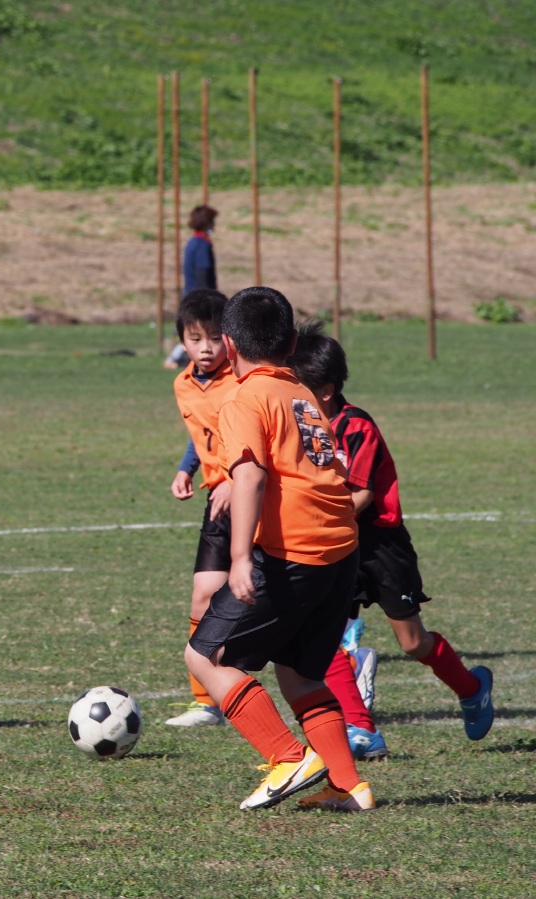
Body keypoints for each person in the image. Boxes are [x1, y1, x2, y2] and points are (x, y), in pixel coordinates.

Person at [184, 285, 374, 812]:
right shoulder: (302, 393)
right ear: (292, 343)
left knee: (203, 655)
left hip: (293, 554)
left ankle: (288, 757)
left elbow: (249, 476)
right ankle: (349, 787)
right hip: (341, 551)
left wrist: (240, 558)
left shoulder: (245, 398)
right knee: (299, 674)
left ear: (228, 344)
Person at [288, 321, 494, 745]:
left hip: (379, 546)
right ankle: (360, 726)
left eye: (297, 386)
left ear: (325, 390)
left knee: (413, 642)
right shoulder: (304, 425)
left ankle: (473, 689)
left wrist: (318, 519)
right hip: (336, 542)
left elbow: (362, 494)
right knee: (320, 633)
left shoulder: (356, 426)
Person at [164, 289, 239, 727]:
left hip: (255, 495)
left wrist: (233, 479)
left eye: (214, 338)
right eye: (195, 339)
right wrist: (186, 468)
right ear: (182, 342)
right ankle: (206, 702)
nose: (205, 348)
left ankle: (346, 659)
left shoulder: (243, 381)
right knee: (204, 593)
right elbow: (202, 434)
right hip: (219, 500)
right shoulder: (183, 384)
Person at [164, 205, 220, 369]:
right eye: (212, 221)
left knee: (195, 330)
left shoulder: (192, 242)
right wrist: (209, 300)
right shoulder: (202, 244)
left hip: (190, 294)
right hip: (200, 296)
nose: (214, 224)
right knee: (200, 330)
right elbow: (203, 273)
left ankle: (179, 359)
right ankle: (174, 358)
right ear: (207, 222)